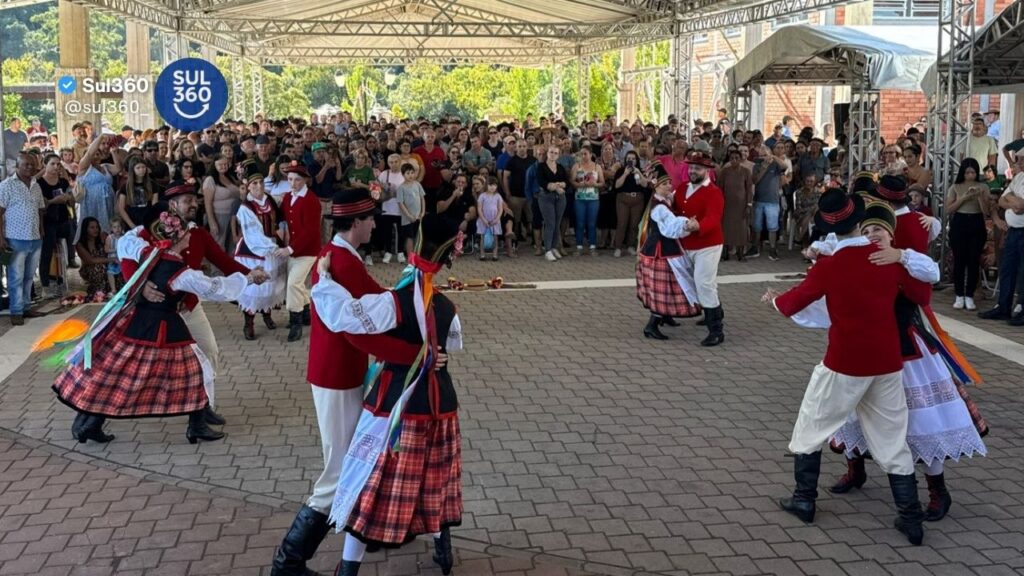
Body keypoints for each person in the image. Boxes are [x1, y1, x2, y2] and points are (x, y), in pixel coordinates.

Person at [764, 190, 931, 546]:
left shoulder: (830, 265)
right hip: (887, 360)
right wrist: (902, 256)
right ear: (860, 222)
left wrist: (774, 300)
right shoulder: (886, 258)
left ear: (828, 227)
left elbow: (795, 302)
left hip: (845, 361)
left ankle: (804, 499)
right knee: (891, 437)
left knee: (811, 424)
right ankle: (911, 517)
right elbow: (922, 291)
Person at [310, 214, 466, 576]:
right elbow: (451, 347)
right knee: (436, 476)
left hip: (392, 407)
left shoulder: (394, 300)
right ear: (444, 261)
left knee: (371, 481)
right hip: (439, 405)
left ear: (413, 252)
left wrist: (324, 281)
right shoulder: (445, 306)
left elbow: (346, 318)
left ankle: (349, 567)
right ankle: (443, 549)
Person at [819, 198, 987, 523]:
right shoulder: (852, 260)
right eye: (866, 230)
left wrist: (901, 255)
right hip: (861, 351)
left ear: (890, 235)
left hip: (907, 355)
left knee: (920, 423)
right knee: (851, 413)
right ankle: (855, 471)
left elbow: (932, 273)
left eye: (879, 230)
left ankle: (938, 492)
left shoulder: (905, 262)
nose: (872, 235)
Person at [53, 204, 268, 445]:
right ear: (176, 236)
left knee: (122, 373)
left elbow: (128, 242)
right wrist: (248, 278)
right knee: (195, 370)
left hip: (139, 322)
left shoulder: (149, 253)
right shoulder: (178, 271)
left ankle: (92, 423)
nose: (190, 236)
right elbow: (215, 288)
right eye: (186, 233)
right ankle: (195, 426)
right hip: (163, 327)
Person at [270, 189, 387, 576]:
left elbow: (377, 299)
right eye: (369, 218)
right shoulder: (342, 260)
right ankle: (289, 561)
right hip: (336, 375)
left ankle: (364, 528)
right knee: (338, 470)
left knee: (351, 459)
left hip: (338, 372)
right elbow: (379, 306)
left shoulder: (338, 254)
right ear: (355, 223)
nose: (374, 224)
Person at [119, 182, 249, 428]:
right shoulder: (149, 230)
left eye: (194, 199)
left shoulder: (197, 233)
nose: (194, 204)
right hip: (154, 311)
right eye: (188, 200)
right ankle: (96, 414)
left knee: (209, 351)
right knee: (134, 366)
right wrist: (140, 287)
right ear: (173, 205)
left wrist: (252, 275)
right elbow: (127, 257)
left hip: (188, 307)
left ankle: (204, 408)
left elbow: (223, 261)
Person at [636, 162, 702, 340]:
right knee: (664, 287)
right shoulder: (659, 207)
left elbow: (674, 196)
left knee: (672, 283)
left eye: (669, 183)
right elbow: (670, 228)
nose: (669, 186)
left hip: (665, 249)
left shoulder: (664, 199)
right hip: (660, 252)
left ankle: (666, 316)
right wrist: (687, 224)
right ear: (656, 185)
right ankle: (651, 326)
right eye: (664, 184)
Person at [674, 151, 726, 346]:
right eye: (692, 167)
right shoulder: (681, 188)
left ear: (707, 170)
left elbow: (714, 217)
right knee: (697, 283)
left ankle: (716, 330)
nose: (693, 170)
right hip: (687, 244)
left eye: (698, 168)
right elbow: (674, 209)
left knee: (704, 283)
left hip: (708, 244)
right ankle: (715, 311)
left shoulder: (714, 192)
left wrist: (699, 226)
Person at [234, 171, 287, 341]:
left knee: (270, 285)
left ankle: (267, 314)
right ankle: (248, 323)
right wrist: (272, 246)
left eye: (261, 183)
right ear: (248, 186)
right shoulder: (245, 207)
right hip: (254, 249)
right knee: (254, 285)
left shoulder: (269, 199)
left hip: (271, 247)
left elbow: (279, 218)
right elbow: (253, 234)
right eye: (254, 183)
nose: (259, 186)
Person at [945, 159, 998, 311]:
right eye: (967, 172)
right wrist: (964, 197)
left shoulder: (983, 186)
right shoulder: (955, 187)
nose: (970, 175)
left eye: (973, 172)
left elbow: (986, 211)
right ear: (963, 172)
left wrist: (980, 197)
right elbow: (949, 209)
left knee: (973, 260)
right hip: (960, 222)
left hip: (976, 222)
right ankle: (959, 295)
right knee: (959, 259)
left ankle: (970, 295)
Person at [279, 161, 322, 342]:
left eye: (297, 180)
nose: (293, 183)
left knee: (293, 283)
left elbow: (310, 232)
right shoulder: (288, 197)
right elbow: (282, 216)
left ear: (304, 180)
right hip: (294, 249)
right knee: (296, 284)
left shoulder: (311, 200)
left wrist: (290, 248)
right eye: (290, 179)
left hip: (307, 251)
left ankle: (295, 322)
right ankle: (306, 313)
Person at [0, 153, 45, 325]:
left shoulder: (36, 186)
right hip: (15, 238)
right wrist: (1, 237)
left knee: (28, 276)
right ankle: (16, 310)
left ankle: (26, 306)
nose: (30, 167)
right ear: (17, 166)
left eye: (32, 164)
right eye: (26, 164)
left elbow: (40, 210)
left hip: (35, 237)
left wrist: (41, 230)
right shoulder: (6, 186)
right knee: (15, 277)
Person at [37, 153, 75, 294]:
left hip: (63, 219)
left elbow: (72, 201)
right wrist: (54, 201)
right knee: (47, 252)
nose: (55, 167)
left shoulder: (63, 182)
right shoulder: (39, 183)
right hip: (48, 221)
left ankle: (60, 281)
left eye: (58, 164)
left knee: (61, 251)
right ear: (45, 165)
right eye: (52, 164)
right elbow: (41, 205)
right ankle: (46, 284)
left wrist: (68, 198)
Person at [535, 144, 569, 262]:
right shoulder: (541, 167)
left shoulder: (560, 167)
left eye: (555, 153)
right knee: (550, 223)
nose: (553, 155)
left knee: (557, 223)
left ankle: (554, 247)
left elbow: (566, 182)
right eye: (551, 152)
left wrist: (558, 185)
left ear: (558, 155)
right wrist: (556, 186)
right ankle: (547, 249)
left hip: (560, 198)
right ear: (547, 153)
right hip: (546, 197)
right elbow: (542, 182)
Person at [611, 150, 648, 257]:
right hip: (623, 199)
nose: (630, 161)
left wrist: (639, 173)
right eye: (628, 159)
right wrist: (625, 174)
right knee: (622, 223)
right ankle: (618, 247)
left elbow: (645, 184)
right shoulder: (621, 170)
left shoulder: (640, 170)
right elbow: (617, 185)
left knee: (634, 224)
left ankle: (630, 246)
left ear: (636, 160)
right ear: (625, 160)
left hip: (637, 199)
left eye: (633, 159)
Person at [397, 163, 426, 258]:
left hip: (418, 217)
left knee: (418, 236)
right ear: (403, 175)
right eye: (408, 173)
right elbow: (401, 203)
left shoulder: (417, 184)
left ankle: (417, 255)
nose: (410, 175)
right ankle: (410, 257)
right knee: (409, 237)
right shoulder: (401, 188)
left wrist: (422, 212)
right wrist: (409, 215)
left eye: (412, 173)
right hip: (408, 218)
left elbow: (422, 198)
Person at [476, 176, 507, 261]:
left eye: (494, 185)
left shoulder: (498, 196)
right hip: (483, 220)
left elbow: (500, 209)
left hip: (495, 220)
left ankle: (495, 254)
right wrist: (483, 219)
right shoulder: (482, 196)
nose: (492, 187)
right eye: (490, 185)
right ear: (486, 185)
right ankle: (482, 254)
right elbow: (479, 208)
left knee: (495, 237)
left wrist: (497, 219)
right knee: (482, 237)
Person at [104, 219, 123, 295]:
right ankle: (113, 289)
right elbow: (106, 250)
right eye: (115, 227)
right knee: (110, 272)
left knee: (125, 272)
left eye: (119, 226)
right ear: (111, 229)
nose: (117, 229)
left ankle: (126, 288)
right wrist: (116, 250)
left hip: (122, 259)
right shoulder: (110, 238)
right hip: (113, 259)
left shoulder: (124, 236)